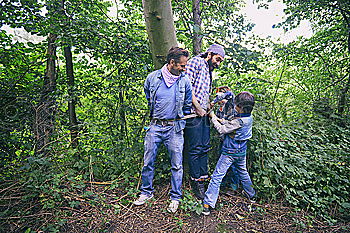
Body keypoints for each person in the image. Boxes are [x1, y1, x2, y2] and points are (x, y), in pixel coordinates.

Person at [133, 47, 192, 213]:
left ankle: (175, 197)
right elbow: (147, 95)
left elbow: (187, 102)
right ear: (172, 63)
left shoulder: (184, 81)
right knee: (148, 160)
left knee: (177, 164)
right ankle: (146, 193)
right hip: (155, 126)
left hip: (174, 127)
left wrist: (180, 117)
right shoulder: (153, 78)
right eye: (181, 65)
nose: (183, 68)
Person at [202, 91, 256, 216]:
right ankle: (251, 195)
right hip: (241, 152)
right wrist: (222, 119)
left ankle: (208, 204)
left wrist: (213, 118)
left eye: (236, 105)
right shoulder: (248, 118)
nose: (234, 107)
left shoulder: (239, 121)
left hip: (229, 152)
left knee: (217, 176)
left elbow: (222, 130)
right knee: (243, 172)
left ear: (241, 108)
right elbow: (232, 125)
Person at [184, 44, 225, 200]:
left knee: (205, 147)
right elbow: (187, 88)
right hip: (192, 115)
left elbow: (203, 93)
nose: (218, 63)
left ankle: (203, 178)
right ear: (209, 54)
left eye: (221, 61)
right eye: (217, 59)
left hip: (203, 115)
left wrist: (209, 108)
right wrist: (197, 108)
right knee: (195, 149)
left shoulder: (209, 70)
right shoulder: (195, 62)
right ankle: (196, 183)